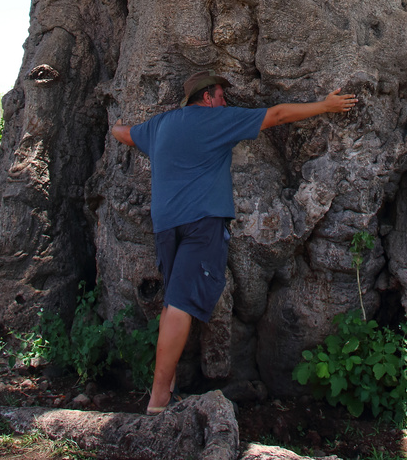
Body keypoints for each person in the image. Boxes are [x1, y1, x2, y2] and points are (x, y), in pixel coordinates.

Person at [111, 70, 357, 414]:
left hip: (165, 225)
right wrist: (325, 105)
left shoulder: (161, 125)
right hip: (201, 224)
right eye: (221, 95)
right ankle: (158, 399)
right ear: (207, 97)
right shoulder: (217, 120)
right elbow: (278, 115)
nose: (226, 101)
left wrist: (114, 126)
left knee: (172, 303)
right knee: (180, 304)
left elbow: (127, 135)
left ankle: (165, 389)